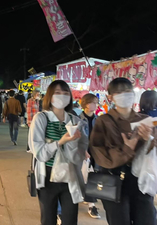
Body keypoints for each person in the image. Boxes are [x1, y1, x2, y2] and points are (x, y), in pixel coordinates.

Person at [90, 78, 156, 225]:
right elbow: (100, 155)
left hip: (141, 180)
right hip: (113, 180)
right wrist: (127, 149)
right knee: (119, 221)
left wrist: (149, 139)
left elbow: (154, 151)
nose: (124, 95)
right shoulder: (104, 121)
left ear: (133, 94)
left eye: (127, 92)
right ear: (110, 97)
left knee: (147, 220)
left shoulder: (146, 120)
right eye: (119, 92)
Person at [28, 80, 88, 225]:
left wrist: (76, 145)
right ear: (50, 96)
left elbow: (79, 153)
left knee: (70, 219)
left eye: (66, 93)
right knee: (48, 219)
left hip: (70, 175)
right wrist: (60, 142)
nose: (62, 96)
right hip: (48, 176)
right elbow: (40, 153)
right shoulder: (41, 118)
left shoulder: (74, 120)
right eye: (58, 93)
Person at [79, 93, 101, 219]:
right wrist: (82, 150)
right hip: (81, 153)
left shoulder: (98, 120)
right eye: (93, 102)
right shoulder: (78, 119)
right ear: (86, 104)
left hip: (95, 153)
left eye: (96, 102)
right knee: (81, 178)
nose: (95, 105)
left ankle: (92, 206)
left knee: (92, 177)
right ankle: (84, 197)